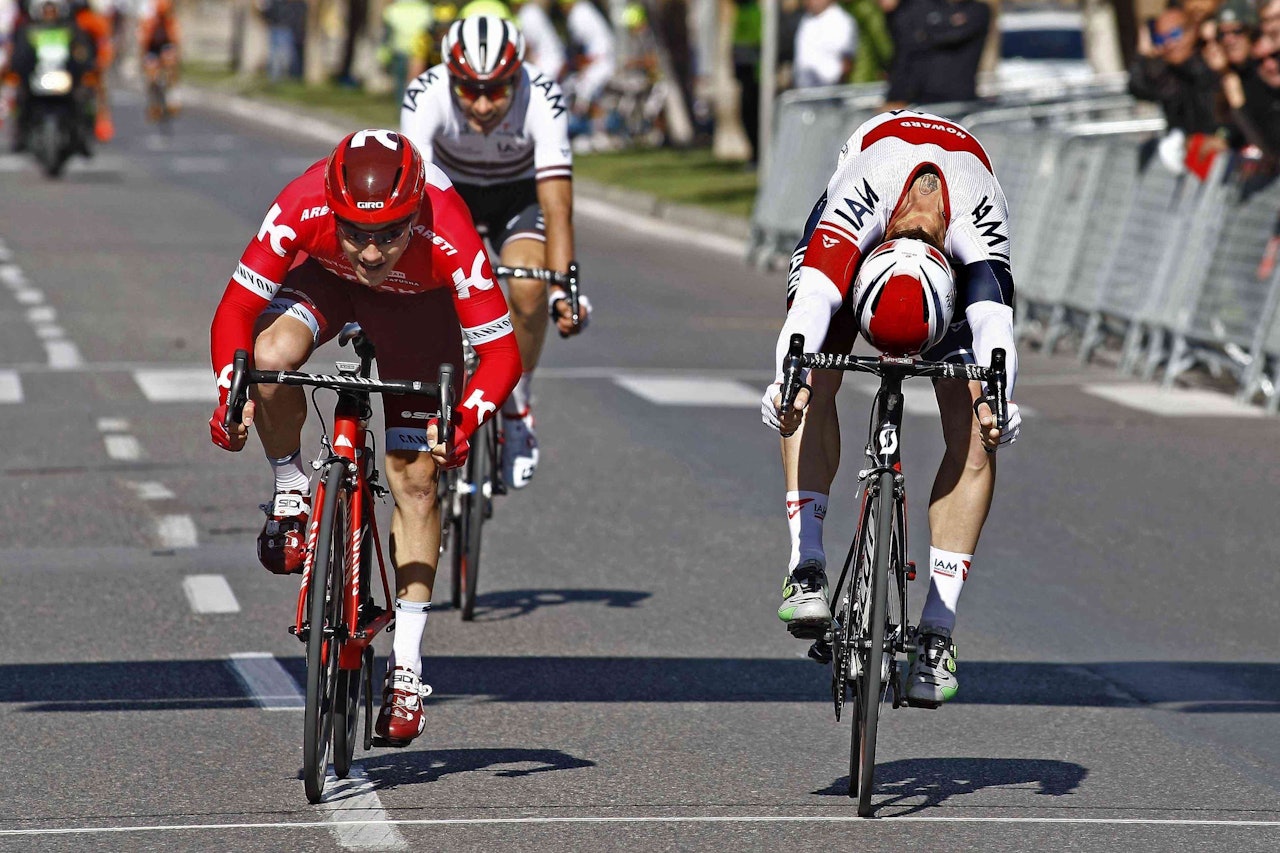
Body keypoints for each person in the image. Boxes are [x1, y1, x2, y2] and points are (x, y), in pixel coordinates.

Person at [208, 129, 521, 745]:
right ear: (332, 207)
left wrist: (462, 423)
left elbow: (502, 355)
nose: (373, 252)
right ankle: (291, 491)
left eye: (389, 235)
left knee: (416, 479)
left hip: (420, 312)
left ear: (416, 216)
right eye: (356, 232)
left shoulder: (448, 227)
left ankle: (407, 668)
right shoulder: (303, 202)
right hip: (330, 287)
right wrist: (229, 396)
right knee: (269, 361)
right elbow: (235, 312)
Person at [760, 109, 1021, 706]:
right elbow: (810, 308)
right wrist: (785, 378)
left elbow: (995, 327)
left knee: (979, 425)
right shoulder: (864, 191)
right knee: (809, 383)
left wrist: (1002, 402)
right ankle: (807, 562)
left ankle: (939, 627)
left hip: (950, 254)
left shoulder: (977, 226)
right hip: (864, 239)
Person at [400, 14, 590, 490]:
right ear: (450, 76)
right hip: (449, 194)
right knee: (435, 283)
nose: (483, 104)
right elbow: (414, 197)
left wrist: (564, 286)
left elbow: (556, 203)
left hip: (516, 197)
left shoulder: (542, 95)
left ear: (516, 76)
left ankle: (516, 402)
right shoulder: (425, 94)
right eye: (469, 90)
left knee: (528, 283)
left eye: (497, 90)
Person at [6, 0, 96, 153]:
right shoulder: (29, 30)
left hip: (64, 78)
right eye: (46, 11)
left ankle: (83, 136)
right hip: (37, 78)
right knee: (21, 99)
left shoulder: (70, 29)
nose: (49, 14)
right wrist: (19, 69)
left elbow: (82, 52)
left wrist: (83, 64)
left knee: (83, 98)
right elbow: (20, 55)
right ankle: (20, 134)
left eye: (52, 10)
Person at [881, 0, 989, 106]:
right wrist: (896, 96)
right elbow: (905, 52)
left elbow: (953, 35)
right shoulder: (919, 7)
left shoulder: (977, 10)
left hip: (959, 100)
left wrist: (926, 36)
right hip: (918, 99)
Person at [558, 0, 615, 128]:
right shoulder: (585, 9)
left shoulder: (578, 14)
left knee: (583, 89)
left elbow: (580, 48)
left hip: (600, 62)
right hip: (600, 60)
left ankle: (595, 128)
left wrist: (574, 64)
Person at [792, 0, 857, 89]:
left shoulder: (842, 21)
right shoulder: (804, 19)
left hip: (828, 93)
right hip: (802, 92)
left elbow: (847, 63)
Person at [137, 0, 179, 120]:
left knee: (170, 66)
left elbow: (176, 41)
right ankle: (154, 104)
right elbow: (144, 43)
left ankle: (172, 97)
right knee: (151, 76)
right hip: (152, 48)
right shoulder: (149, 21)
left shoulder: (171, 22)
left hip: (166, 45)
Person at [515, 0, 565, 80]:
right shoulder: (532, 10)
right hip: (556, 59)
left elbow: (527, 47)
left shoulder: (526, 15)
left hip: (547, 65)